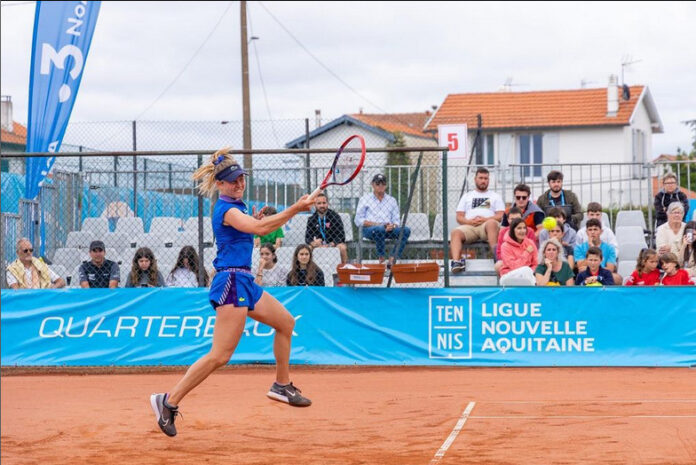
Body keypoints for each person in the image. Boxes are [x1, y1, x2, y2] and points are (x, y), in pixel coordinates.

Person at [150, 148, 315, 438]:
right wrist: (294, 210)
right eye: (233, 180)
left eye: (241, 178)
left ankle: (281, 384)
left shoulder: (237, 207)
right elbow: (262, 227)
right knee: (220, 355)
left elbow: (251, 230)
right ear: (220, 184)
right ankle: (169, 401)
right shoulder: (226, 209)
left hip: (245, 280)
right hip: (231, 282)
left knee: (286, 323)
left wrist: (252, 225)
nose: (239, 183)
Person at [450, 167, 505, 273]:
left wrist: (485, 219)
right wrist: (469, 222)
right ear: (475, 179)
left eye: (486, 178)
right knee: (455, 232)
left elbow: (500, 216)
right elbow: (459, 216)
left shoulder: (495, 196)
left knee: (492, 223)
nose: (483, 180)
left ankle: (497, 258)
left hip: (487, 227)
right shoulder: (467, 196)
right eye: (481, 178)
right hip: (470, 226)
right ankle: (456, 263)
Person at [355, 173, 410, 266]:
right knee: (379, 229)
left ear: (386, 185)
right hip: (370, 229)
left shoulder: (392, 200)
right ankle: (382, 258)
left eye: (383, 183)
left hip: (388, 228)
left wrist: (392, 226)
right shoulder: (365, 199)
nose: (380, 186)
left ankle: (392, 258)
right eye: (377, 183)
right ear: (372, 184)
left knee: (406, 230)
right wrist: (378, 225)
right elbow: (358, 220)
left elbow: (396, 220)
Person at [305, 192, 348, 264]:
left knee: (342, 248)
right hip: (318, 245)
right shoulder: (311, 219)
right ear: (315, 205)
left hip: (333, 244)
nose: (322, 205)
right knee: (308, 248)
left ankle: (344, 269)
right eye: (319, 203)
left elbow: (341, 235)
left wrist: (331, 244)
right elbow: (307, 237)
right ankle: (309, 270)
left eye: (324, 203)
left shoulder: (335, 216)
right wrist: (313, 243)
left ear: (327, 203)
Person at [574, 219, 621, 284]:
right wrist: (591, 248)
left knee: (617, 277)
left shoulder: (610, 248)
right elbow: (580, 268)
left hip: (603, 274)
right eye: (590, 230)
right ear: (586, 232)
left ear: (601, 231)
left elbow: (610, 269)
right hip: (586, 275)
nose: (592, 232)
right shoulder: (579, 248)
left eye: (595, 229)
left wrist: (592, 268)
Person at [498, 218, 538, 286]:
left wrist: (531, 271)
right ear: (513, 230)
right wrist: (526, 253)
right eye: (519, 228)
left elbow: (536, 263)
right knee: (526, 270)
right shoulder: (505, 246)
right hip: (508, 277)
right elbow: (513, 266)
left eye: (524, 228)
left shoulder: (530, 243)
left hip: (528, 276)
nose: (522, 231)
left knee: (528, 272)